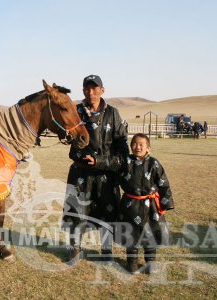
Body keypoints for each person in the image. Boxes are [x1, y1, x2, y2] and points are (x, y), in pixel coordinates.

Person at [62, 75, 129, 263]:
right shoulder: (76, 111)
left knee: (108, 212)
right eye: (87, 89)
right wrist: (82, 157)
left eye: (94, 88)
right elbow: (71, 144)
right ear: (83, 90)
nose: (90, 93)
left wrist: (100, 161)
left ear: (102, 90)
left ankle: (107, 251)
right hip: (80, 171)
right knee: (76, 212)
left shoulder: (113, 114)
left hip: (106, 173)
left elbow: (122, 151)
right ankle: (74, 249)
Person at [117, 133, 174, 274]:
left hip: (151, 207)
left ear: (148, 148)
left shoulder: (154, 163)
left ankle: (150, 263)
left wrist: (166, 203)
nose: (138, 147)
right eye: (134, 144)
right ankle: (132, 263)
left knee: (150, 236)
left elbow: (163, 184)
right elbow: (111, 167)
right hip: (130, 205)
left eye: (141, 144)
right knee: (131, 235)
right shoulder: (125, 162)